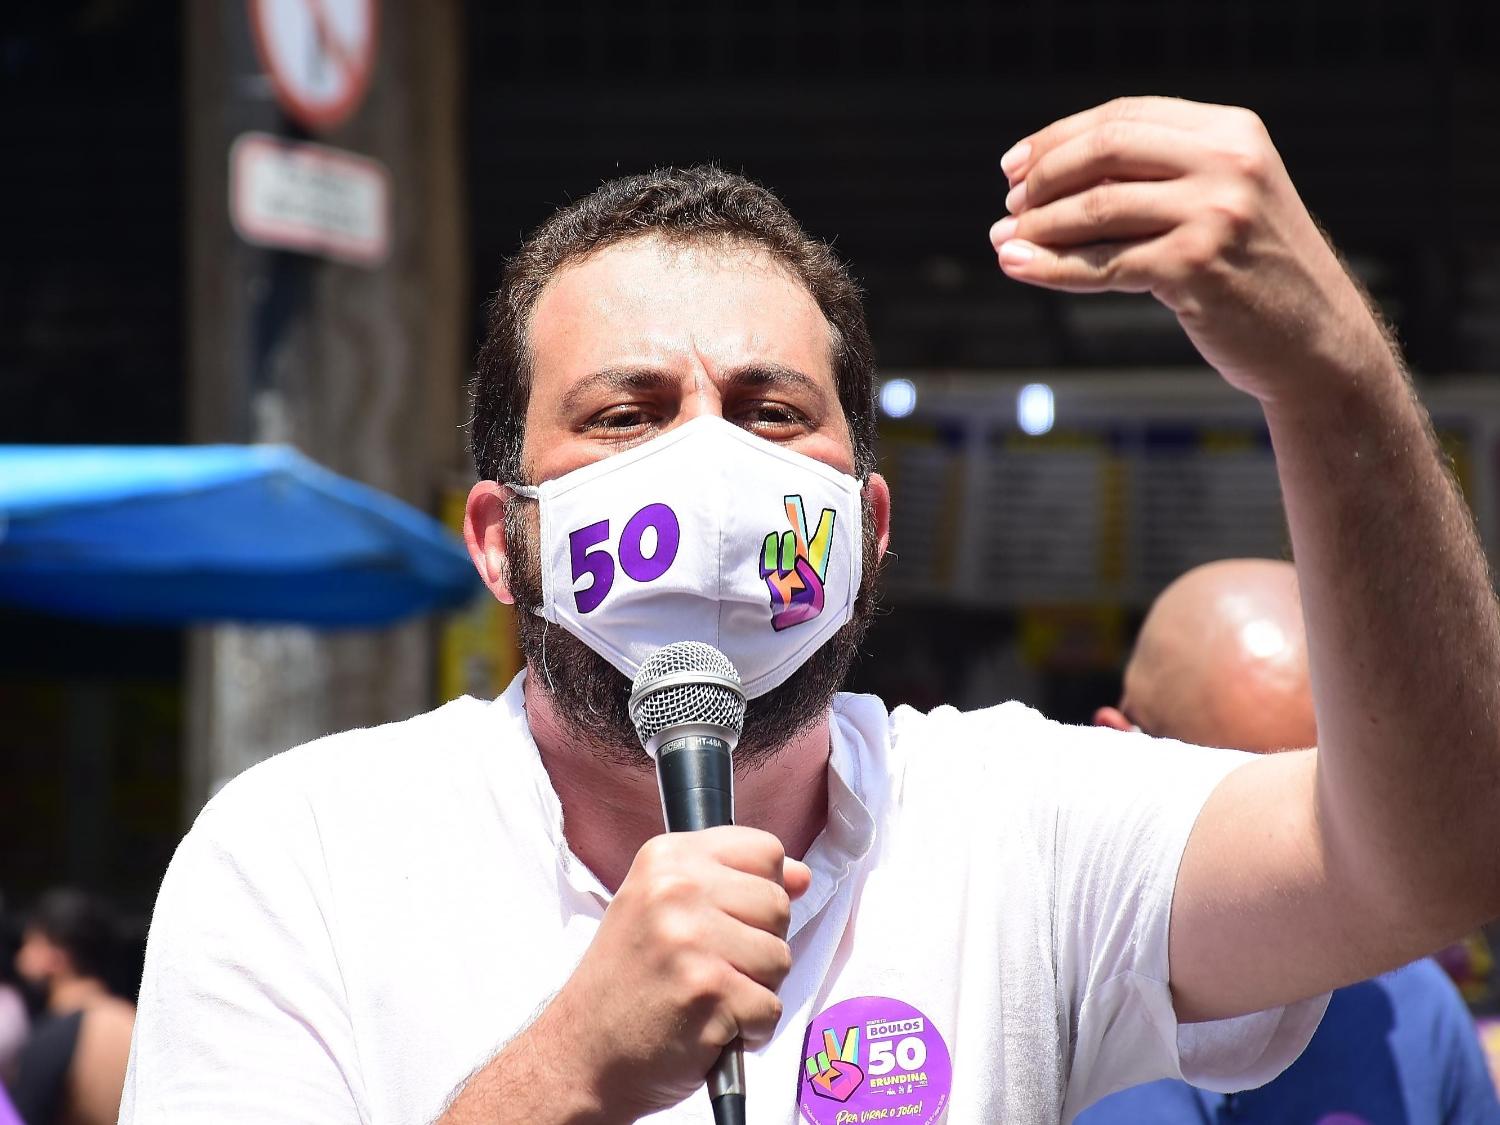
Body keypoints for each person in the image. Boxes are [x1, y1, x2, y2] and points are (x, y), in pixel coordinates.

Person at [122, 97, 1500, 1123]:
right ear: (501, 541)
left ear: (869, 529)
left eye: (772, 412)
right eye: (628, 414)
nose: (710, 470)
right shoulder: (299, 856)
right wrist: (569, 1072)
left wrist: (1332, 374)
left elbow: (1430, 859)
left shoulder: (1014, 828)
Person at [1081, 558, 1500, 1124]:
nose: (1297, 863)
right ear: (1118, 754)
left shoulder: (1410, 1014)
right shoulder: (1006, 995)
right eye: (1241, 807)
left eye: (1336, 818)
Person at [12, 890, 135, 1125]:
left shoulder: (54, 1036)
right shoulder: (133, 1020)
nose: (21, 956)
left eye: (30, 943)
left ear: (55, 955)